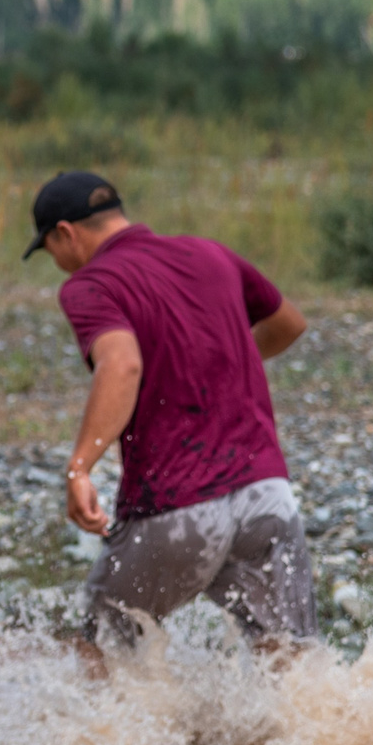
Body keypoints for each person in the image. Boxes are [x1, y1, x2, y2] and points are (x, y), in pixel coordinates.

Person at [25, 171, 313, 666]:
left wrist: (79, 468)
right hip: (267, 493)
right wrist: (219, 365)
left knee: (103, 649)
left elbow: (122, 364)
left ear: (65, 233)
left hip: (178, 507)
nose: (57, 263)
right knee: (291, 662)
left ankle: (122, 721)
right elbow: (289, 323)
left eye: (50, 249)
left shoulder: (91, 284)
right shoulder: (210, 254)